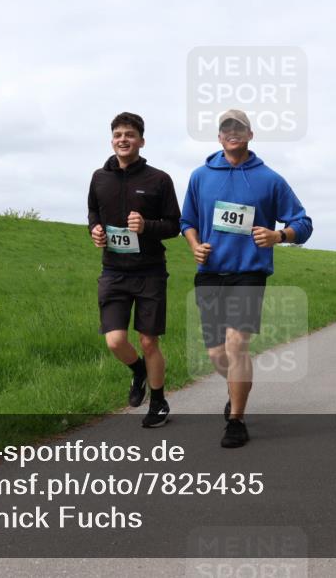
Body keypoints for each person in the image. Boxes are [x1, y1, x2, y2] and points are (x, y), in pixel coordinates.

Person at [180, 109, 312, 448]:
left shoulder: (269, 179)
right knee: (216, 354)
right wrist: (195, 245)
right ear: (219, 137)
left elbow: (303, 223)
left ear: (250, 135)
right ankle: (235, 387)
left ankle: (236, 420)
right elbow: (187, 221)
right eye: (226, 128)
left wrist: (278, 236)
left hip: (249, 273)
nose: (232, 133)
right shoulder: (200, 176)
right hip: (210, 273)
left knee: (237, 345)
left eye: (239, 128)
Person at [88, 112, 181, 428]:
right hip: (113, 271)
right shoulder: (99, 178)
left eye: (129, 134)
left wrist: (146, 226)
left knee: (148, 341)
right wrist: (94, 230)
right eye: (118, 135)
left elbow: (174, 225)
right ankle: (138, 370)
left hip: (150, 271)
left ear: (141, 141)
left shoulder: (159, 179)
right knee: (115, 340)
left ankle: (158, 402)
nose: (123, 139)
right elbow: (93, 212)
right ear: (111, 140)